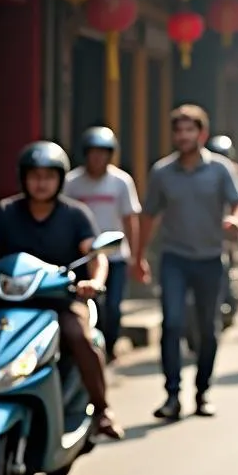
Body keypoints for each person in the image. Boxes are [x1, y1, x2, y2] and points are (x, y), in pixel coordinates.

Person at [0, 142, 123, 440]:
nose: (41, 183)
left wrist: (95, 281)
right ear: (23, 178)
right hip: (10, 307)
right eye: (34, 176)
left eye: (48, 176)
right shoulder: (7, 211)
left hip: (60, 304)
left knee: (80, 337)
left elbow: (94, 253)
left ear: (60, 179)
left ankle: (102, 409)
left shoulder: (75, 214)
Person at [136, 105, 238, 421]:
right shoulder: (162, 172)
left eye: (190, 130)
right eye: (178, 130)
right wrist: (139, 256)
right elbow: (148, 216)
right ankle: (172, 395)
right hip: (173, 257)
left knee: (207, 329)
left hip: (211, 259)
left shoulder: (220, 169)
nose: (183, 136)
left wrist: (235, 218)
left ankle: (202, 392)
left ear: (201, 134)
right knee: (172, 324)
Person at [65, 127, 142, 363]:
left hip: (115, 255)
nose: (97, 158)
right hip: (83, 256)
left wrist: (136, 256)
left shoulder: (121, 182)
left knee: (113, 306)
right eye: (93, 153)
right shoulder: (72, 182)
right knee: (83, 305)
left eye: (102, 153)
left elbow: (130, 219)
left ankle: (109, 346)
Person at [206, 134, 238, 321]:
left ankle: (229, 300)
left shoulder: (237, 172)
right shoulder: (203, 170)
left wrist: (237, 220)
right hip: (206, 228)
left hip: (229, 229)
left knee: (227, 265)